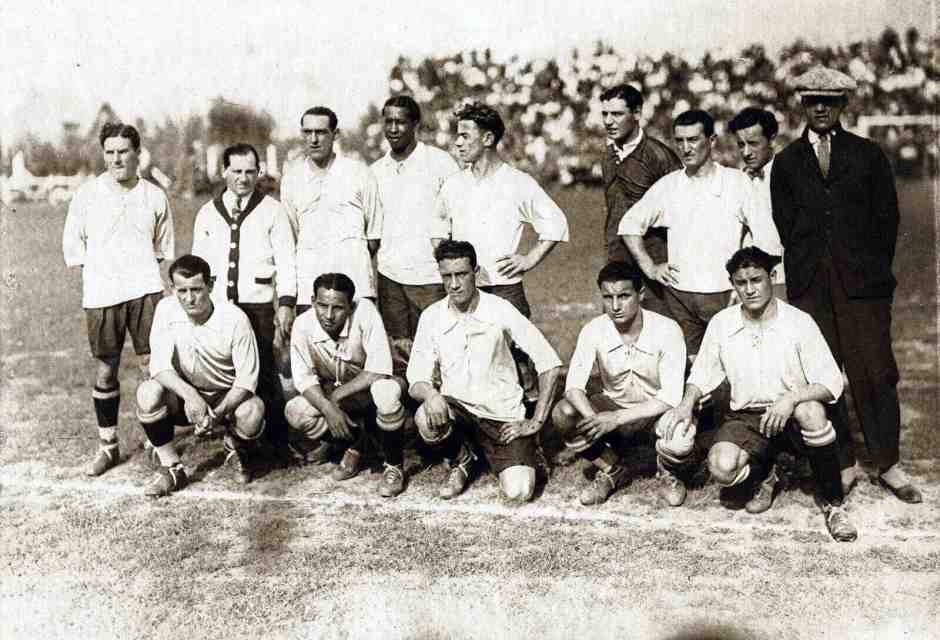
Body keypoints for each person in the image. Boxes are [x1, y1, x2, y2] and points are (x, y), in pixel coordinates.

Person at [771, 66, 921, 503]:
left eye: (829, 101)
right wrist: (810, 269)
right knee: (822, 373)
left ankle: (888, 463)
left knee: (875, 371)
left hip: (862, 285)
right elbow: (785, 223)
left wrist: (868, 269)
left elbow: (887, 219)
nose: (820, 108)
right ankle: (843, 461)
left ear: (843, 104)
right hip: (812, 286)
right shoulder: (787, 161)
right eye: (812, 101)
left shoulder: (868, 154)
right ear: (802, 104)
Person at [662, 247, 857, 542]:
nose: (750, 289)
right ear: (733, 284)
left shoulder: (799, 321)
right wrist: (685, 405)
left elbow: (832, 382)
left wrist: (790, 399)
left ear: (772, 277)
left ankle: (834, 507)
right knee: (721, 468)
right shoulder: (722, 323)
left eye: (756, 280)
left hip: (792, 415)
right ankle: (767, 471)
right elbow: (702, 373)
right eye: (741, 283)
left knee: (811, 411)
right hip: (747, 416)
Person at [618, 109, 783, 362]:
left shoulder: (736, 182)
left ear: (711, 140)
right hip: (680, 296)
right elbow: (629, 224)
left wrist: (745, 284)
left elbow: (766, 238)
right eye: (680, 141)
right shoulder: (669, 185)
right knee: (692, 368)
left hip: (724, 292)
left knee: (736, 363)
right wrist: (649, 267)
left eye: (693, 139)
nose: (686, 148)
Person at [407, 240, 563, 502]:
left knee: (519, 491)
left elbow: (550, 363)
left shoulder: (500, 309)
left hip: (501, 415)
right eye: (447, 276)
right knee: (425, 417)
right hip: (459, 411)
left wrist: (535, 421)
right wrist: (431, 395)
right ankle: (462, 459)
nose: (454, 284)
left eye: (461, 274)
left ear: (476, 273)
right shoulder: (432, 316)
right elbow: (416, 378)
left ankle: (521, 451)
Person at [434, 101, 568, 399]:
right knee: (470, 360)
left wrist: (528, 259)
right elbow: (437, 227)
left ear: (487, 138)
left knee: (520, 362)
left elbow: (555, 223)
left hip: (505, 287)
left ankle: (533, 418)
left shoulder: (517, 182)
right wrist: (447, 261)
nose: (458, 142)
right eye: (457, 135)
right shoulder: (454, 184)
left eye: (465, 135)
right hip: (466, 288)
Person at [62, 123, 175, 477]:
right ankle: (108, 446)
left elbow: (161, 248)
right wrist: (103, 275)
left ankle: (158, 442)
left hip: (145, 290)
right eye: (109, 152)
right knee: (106, 369)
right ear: (103, 154)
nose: (116, 159)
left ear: (137, 153)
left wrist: (136, 272)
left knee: (152, 367)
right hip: (102, 295)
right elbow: (73, 245)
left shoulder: (154, 196)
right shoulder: (87, 195)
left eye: (123, 151)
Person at [551, 262, 690, 506]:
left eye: (624, 296)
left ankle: (667, 472)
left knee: (679, 437)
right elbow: (573, 387)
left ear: (641, 294)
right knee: (564, 413)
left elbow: (670, 397)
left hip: (655, 413)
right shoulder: (593, 329)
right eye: (608, 297)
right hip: (613, 408)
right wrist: (595, 420)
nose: (615, 306)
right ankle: (612, 468)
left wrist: (615, 419)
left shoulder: (667, 329)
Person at [191, 143, 296, 452]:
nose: (243, 178)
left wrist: (286, 303)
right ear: (224, 172)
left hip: (258, 305)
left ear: (258, 172)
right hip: (220, 306)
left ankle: (276, 440)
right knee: (227, 370)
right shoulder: (208, 213)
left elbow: (286, 262)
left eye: (250, 171)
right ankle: (230, 429)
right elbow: (199, 262)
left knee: (264, 371)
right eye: (236, 171)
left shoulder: (273, 211)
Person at [135, 255, 265, 496]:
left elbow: (246, 382)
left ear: (211, 285)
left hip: (225, 397)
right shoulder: (165, 309)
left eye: (196, 289)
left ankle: (234, 446)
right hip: (186, 398)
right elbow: (159, 367)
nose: (189, 298)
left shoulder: (235, 319)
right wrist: (191, 396)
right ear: (172, 288)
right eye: (182, 291)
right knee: (147, 392)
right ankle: (171, 468)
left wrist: (216, 415)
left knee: (252, 411)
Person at [284, 273, 408, 497]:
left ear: (350, 306)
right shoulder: (302, 324)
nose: (329, 315)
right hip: (341, 392)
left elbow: (379, 369)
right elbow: (303, 379)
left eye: (338, 308)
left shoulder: (366, 311)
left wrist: (335, 398)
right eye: (322, 305)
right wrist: (328, 408)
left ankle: (394, 465)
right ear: (312, 301)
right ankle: (358, 445)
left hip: (377, 384)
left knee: (385, 393)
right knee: (296, 411)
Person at [370, 95, 458, 345]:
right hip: (390, 278)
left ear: (415, 124)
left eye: (400, 122)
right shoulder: (375, 171)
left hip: (430, 278)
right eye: (388, 122)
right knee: (399, 351)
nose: (393, 129)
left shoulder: (440, 162)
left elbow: (459, 215)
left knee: (437, 347)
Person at [280, 106, 383, 309]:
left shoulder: (359, 173)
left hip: (356, 288)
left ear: (335, 134)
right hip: (310, 289)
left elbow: (373, 236)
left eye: (320, 132)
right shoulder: (292, 179)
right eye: (308, 132)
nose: (313, 139)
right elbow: (290, 237)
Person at [599, 84, 682, 318]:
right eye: (605, 114)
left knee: (660, 324)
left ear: (636, 113)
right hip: (616, 256)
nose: (608, 121)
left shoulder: (659, 156)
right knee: (616, 323)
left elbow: (681, 211)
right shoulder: (608, 155)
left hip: (654, 260)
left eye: (617, 114)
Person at [728, 107, 787, 301]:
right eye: (741, 144)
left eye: (753, 143)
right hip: (746, 279)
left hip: (783, 276)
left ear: (772, 139)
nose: (746, 152)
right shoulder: (736, 181)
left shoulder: (789, 177)